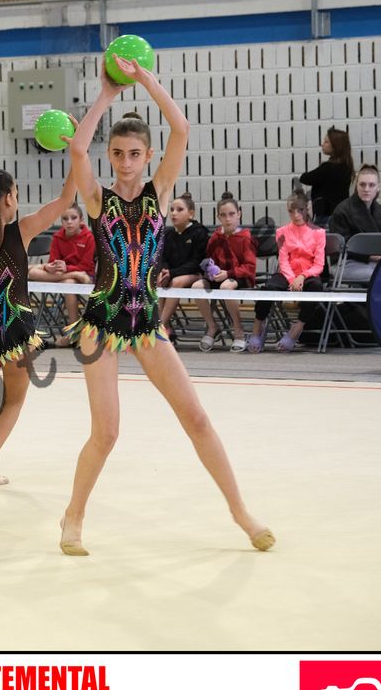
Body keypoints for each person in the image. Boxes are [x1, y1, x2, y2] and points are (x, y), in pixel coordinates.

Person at [60, 54, 274, 556]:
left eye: (135, 154)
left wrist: (147, 81)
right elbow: (77, 149)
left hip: (145, 324)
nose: (126, 162)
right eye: (118, 153)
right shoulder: (98, 200)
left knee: (196, 418)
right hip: (101, 323)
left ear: (149, 155)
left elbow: (182, 128)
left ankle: (240, 512)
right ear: (110, 155)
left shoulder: (159, 195)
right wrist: (106, 95)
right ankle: (74, 515)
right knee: (106, 433)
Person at [0, 149, 80, 484]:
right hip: (15, 328)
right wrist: (76, 150)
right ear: (9, 198)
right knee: (12, 401)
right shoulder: (21, 230)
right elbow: (67, 198)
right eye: (17, 193)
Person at [248, 191, 324, 352]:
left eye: (300, 210)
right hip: (287, 272)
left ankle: (297, 328)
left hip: (308, 273)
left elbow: (319, 265)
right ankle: (257, 327)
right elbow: (283, 260)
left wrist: (302, 276)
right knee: (269, 287)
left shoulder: (319, 233)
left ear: (307, 208)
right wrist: (292, 280)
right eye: (291, 211)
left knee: (316, 287)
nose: (296, 215)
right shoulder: (282, 232)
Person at [191, 193, 256, 351]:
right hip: (219, 277)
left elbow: (250, 267)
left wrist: (228, 273)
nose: (228, 219)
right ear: (218, 217)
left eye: (232, 214)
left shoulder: (245, 237)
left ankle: (239, 331)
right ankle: (213, 327)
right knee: (196, 287)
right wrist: (210, 270)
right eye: (223, 215)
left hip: (239, 276)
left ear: (239, 214)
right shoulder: (215, 237)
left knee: (226, 287)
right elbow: (208, 260)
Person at [26, 204, 95, 339]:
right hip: (65, 274)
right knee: (33, 273)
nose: (69, 222)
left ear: (81, 220)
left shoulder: (88, 238)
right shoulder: (57, 237)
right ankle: (74, 333)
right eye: (65, 218)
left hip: (84, 275)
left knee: (67, 283)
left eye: (73, 218)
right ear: (61, 221)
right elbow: (54, 261)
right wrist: (51, 267)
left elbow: (86, 266)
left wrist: (67, 268)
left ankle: (73, 332)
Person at [156, 192, 209, 342]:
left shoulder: (199, 232)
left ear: (190, 214)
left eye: (179, 210)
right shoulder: (168, 234)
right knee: (158, 281)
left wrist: (172, 273)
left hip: (196, 273)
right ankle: (167, 329)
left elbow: (196, 262)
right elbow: (163, 258)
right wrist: (164, 271)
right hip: (174, 273)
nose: (174, 213)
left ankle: (159, 327)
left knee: (176, 282)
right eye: (172, 209)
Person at [328, 164, 381, 283]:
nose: (366, 189)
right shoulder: (342, 211)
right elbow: (340, 248)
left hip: (376, 262)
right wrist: (371, 256)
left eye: (371, 185)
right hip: (344, 263)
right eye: (362, 184)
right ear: (356, 186)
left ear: (378, 188)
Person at [299, 127, 354, 226]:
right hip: (342, 215)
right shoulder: (347, 167)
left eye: (326, 142)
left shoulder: (327, 168)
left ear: (336, 146)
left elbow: (305, 178)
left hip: (325, 216)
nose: (322, 144)